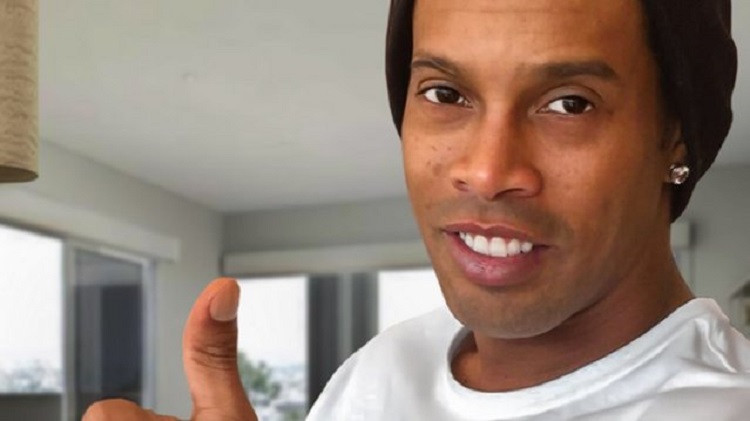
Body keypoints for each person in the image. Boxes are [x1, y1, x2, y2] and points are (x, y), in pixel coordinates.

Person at [84, 0, 749, 420]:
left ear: (677, 136)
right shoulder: (381, 369)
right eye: (446, 93)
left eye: (568, 104)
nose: (486, 172)